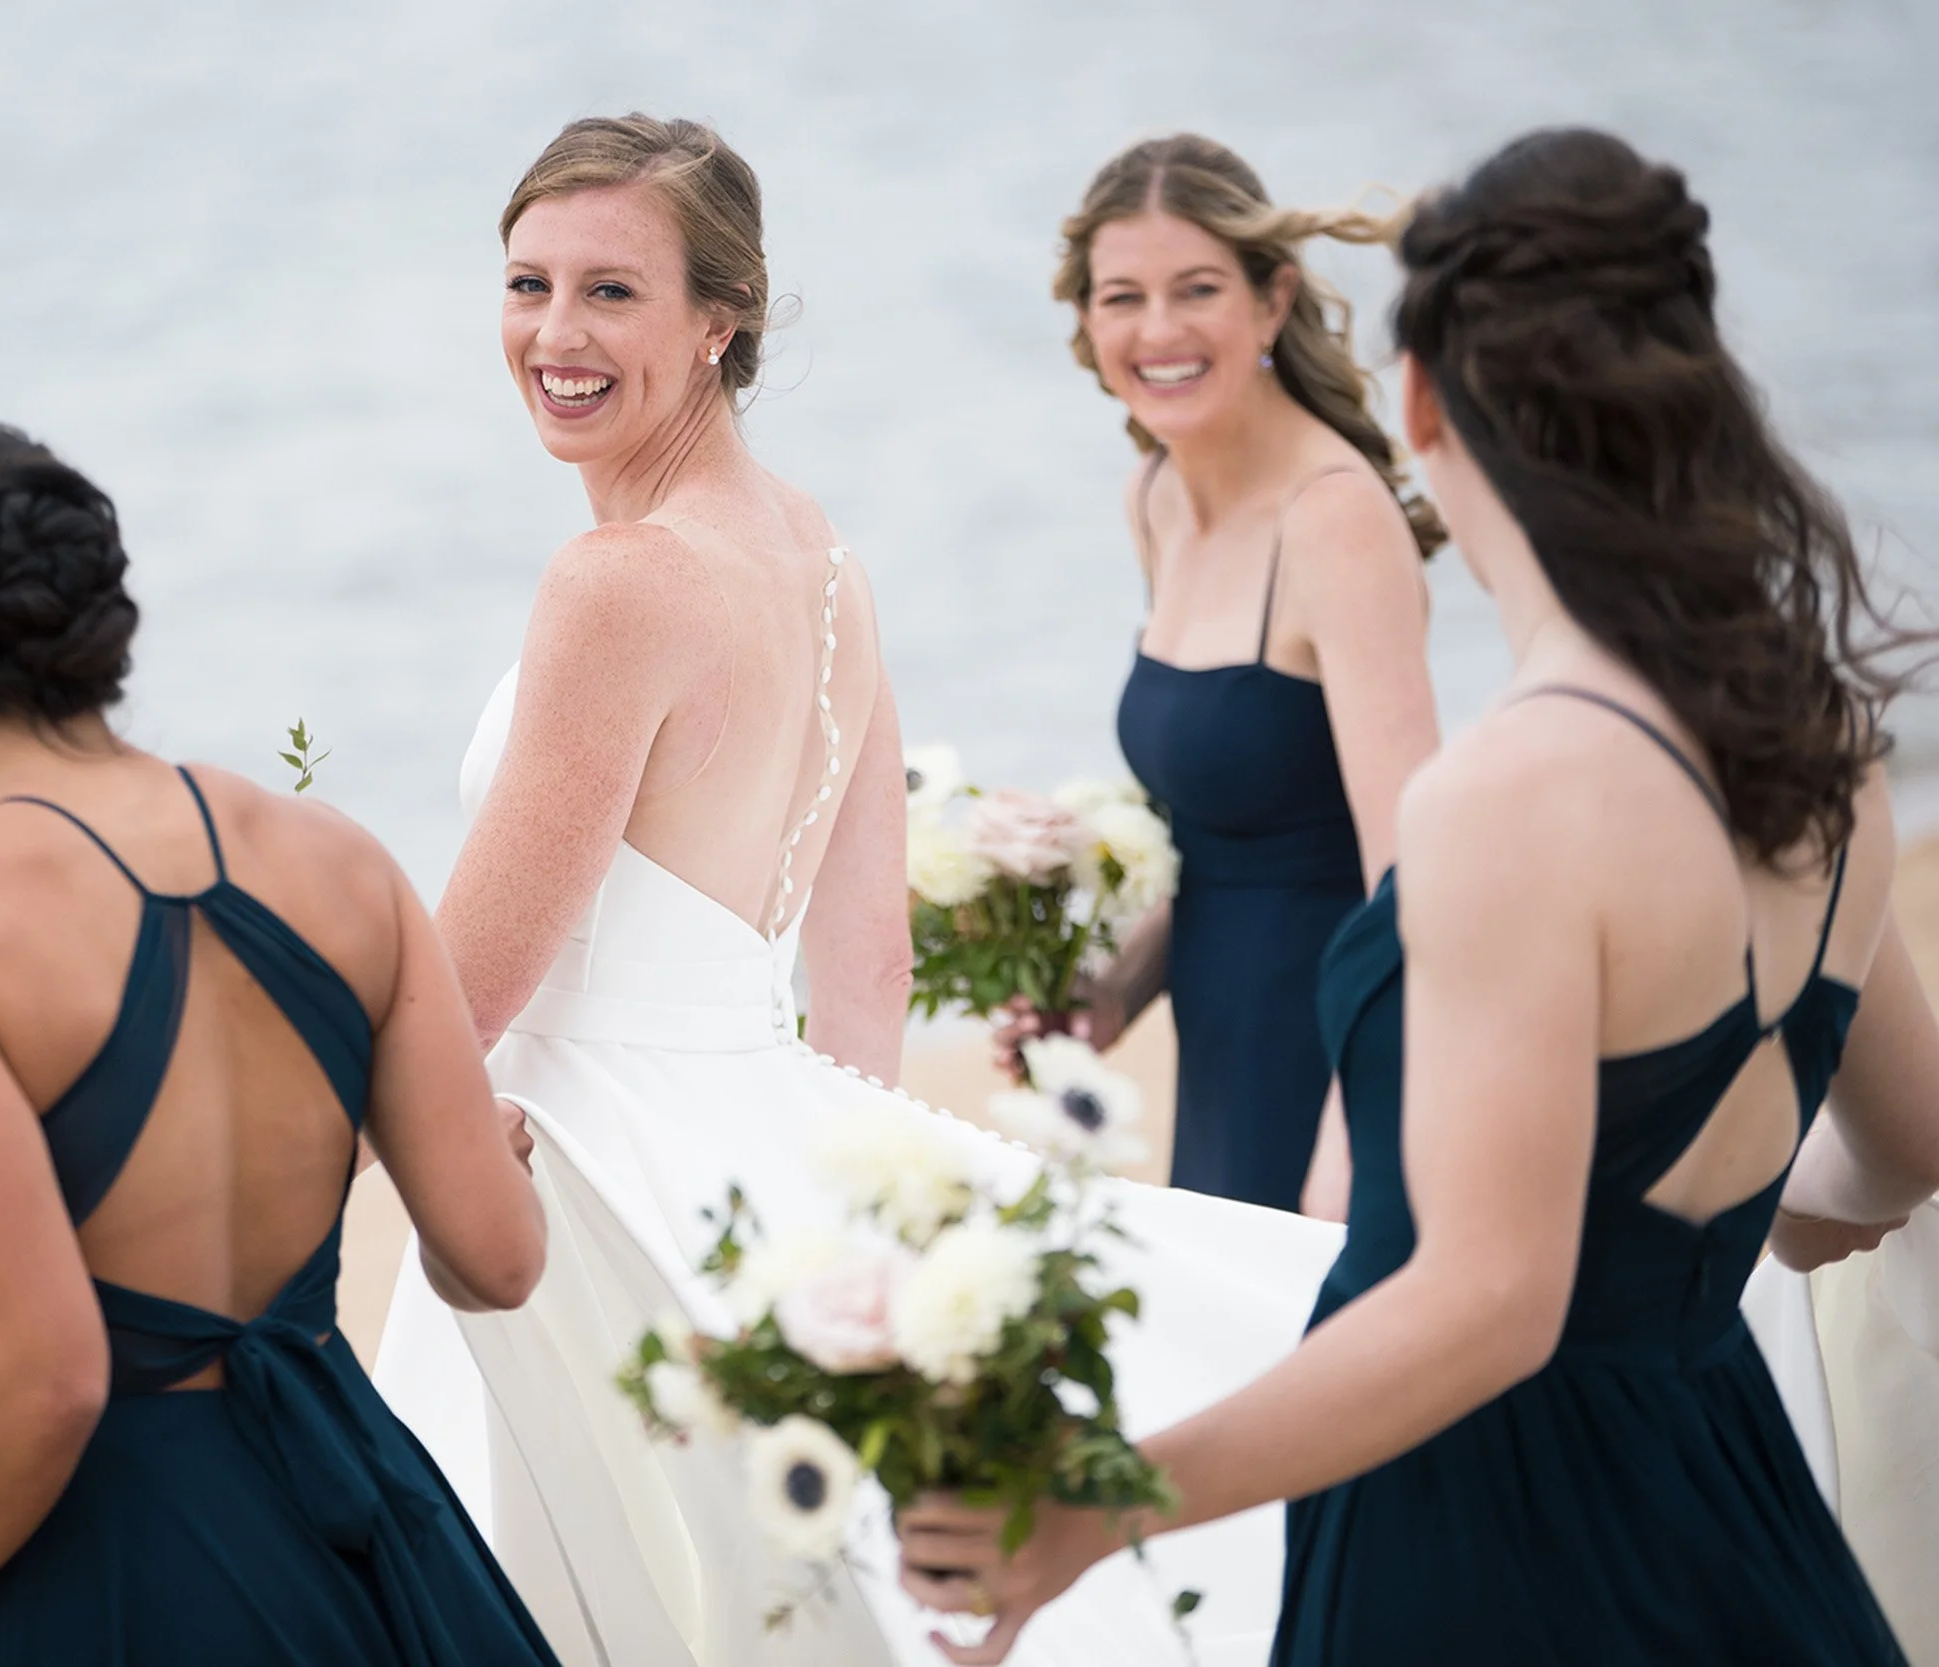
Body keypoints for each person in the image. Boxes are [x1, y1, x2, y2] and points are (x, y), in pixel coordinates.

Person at [897, 128, 1939, 1665]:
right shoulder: (1830, 743)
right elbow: (1905, 1150)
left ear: (1427, 401)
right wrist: (1695, 1212)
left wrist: (1085, 1513)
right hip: (1727, 1485)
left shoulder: (1508, 799)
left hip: (1478, 1543)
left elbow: (1487, 1305)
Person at [373, 115, 1345, 1667]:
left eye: (612, 292)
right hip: (757, 1135)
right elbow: (868, 965)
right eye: (527, 282)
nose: (555, 334)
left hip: (581, 1170)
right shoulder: (822, 558)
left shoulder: (614, 584)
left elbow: (456, 993)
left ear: (720, 320)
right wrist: (844, 1194)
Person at [0, 424, 559, 1667]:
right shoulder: (337, 857)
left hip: (138, 1563)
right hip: (375, 1523)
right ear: (92, 634)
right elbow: (496, 1259)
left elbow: (48, 1376)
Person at [1023, 134, 1442, 1218]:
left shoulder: (1336, 519)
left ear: (1271, 301)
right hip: (1218, 1055)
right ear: (1087, 322)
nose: (1156, 330)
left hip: (1334, 1067)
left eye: (1196, 289)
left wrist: (1357, 1144)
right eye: (1123, 297)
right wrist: (1112, 994)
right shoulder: (1155, 494)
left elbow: (1418, 875)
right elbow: (1221, 841)